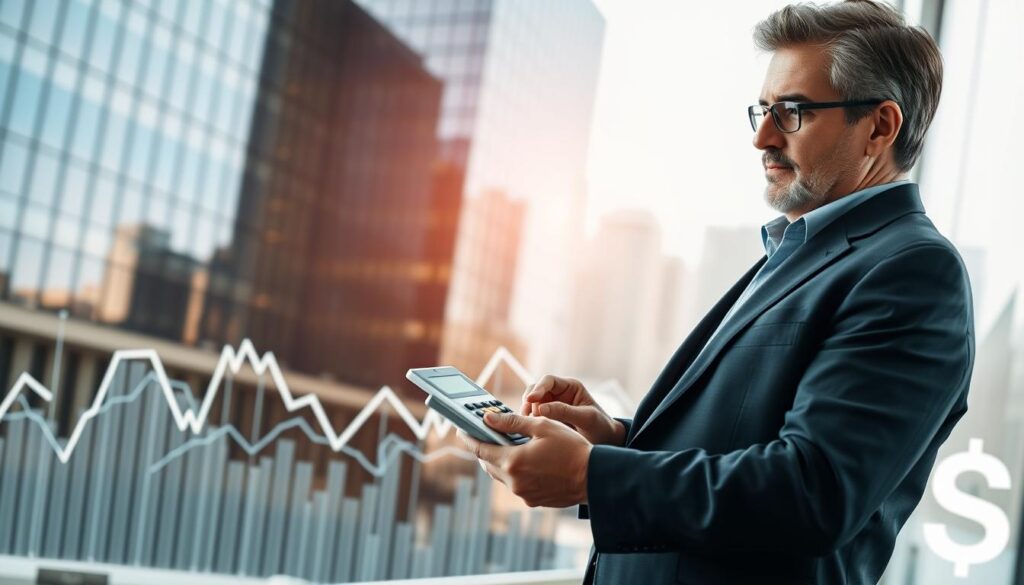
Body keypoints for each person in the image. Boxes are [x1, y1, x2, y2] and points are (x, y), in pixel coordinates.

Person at [458, 1, 975, 583]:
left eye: (793, 112)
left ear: (880, 126)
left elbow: (813, 490)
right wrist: (618, 441)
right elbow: (748, 440)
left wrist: (592, 476)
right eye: (762, 109)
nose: (762, 137)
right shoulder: (803, 250)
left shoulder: (913, 272)